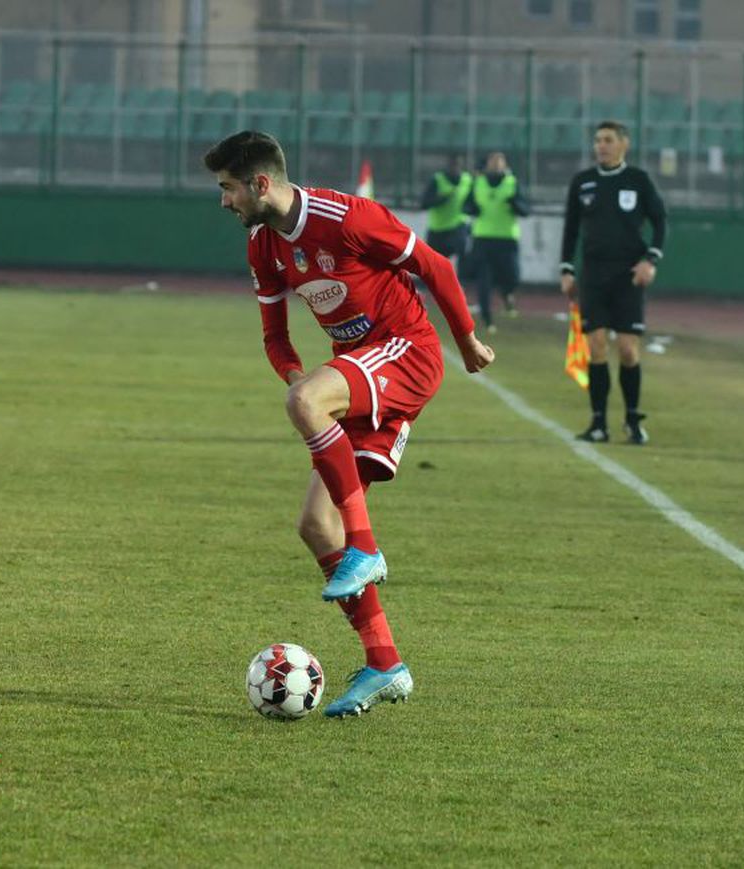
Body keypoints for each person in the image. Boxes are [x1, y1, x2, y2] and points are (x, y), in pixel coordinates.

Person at [203, 131, 494, 718]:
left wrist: (466, 341)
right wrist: (297, 381)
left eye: (228, 188)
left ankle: (367, 549)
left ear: (261, 183)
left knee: (313, 416)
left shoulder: (347, 218)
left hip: (406, 350)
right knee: (314, 524)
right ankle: (385, 662)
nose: (224, 201)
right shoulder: (264, 246)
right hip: (362, 373)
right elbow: (275, 338)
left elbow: (433, 265)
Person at [559, 120, 667, 444]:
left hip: (628, 276)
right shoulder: (583, 182)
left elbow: (661, 222)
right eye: (597, 140)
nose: (600, 146)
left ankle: (633, 420)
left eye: (607, 140)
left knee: (628, 350)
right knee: (596, 347)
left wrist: (651, 260)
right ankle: (598, 423)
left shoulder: (638, 180)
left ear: (624, 144)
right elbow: (571, 229)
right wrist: (567, 269)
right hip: (593, 275)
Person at [463, 151, 530, 332]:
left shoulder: (513, 183)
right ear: (487, 165)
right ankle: (487, 318)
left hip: (507, 239)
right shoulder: (478, 183)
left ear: (505, 165)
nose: (495, 165)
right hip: (483, 239)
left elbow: (526, 209)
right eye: (492, 162)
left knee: (512, 276)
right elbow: (466, 206)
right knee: (483, 280)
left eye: (499, 162)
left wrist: (515, 203)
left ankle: (508, 294)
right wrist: (473, 209)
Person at [419, 153, 472, 266]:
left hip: (458, 225)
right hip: (438, 229)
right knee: (434, 264)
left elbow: (472, 201)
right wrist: (441, 199)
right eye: (452, 165)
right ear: (447, 166)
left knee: (463, 249)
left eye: (458, 165)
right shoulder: (437, 180)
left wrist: (468, 209)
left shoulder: (467, 180)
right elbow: (424, 203)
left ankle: (461, 279)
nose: (455, 168)